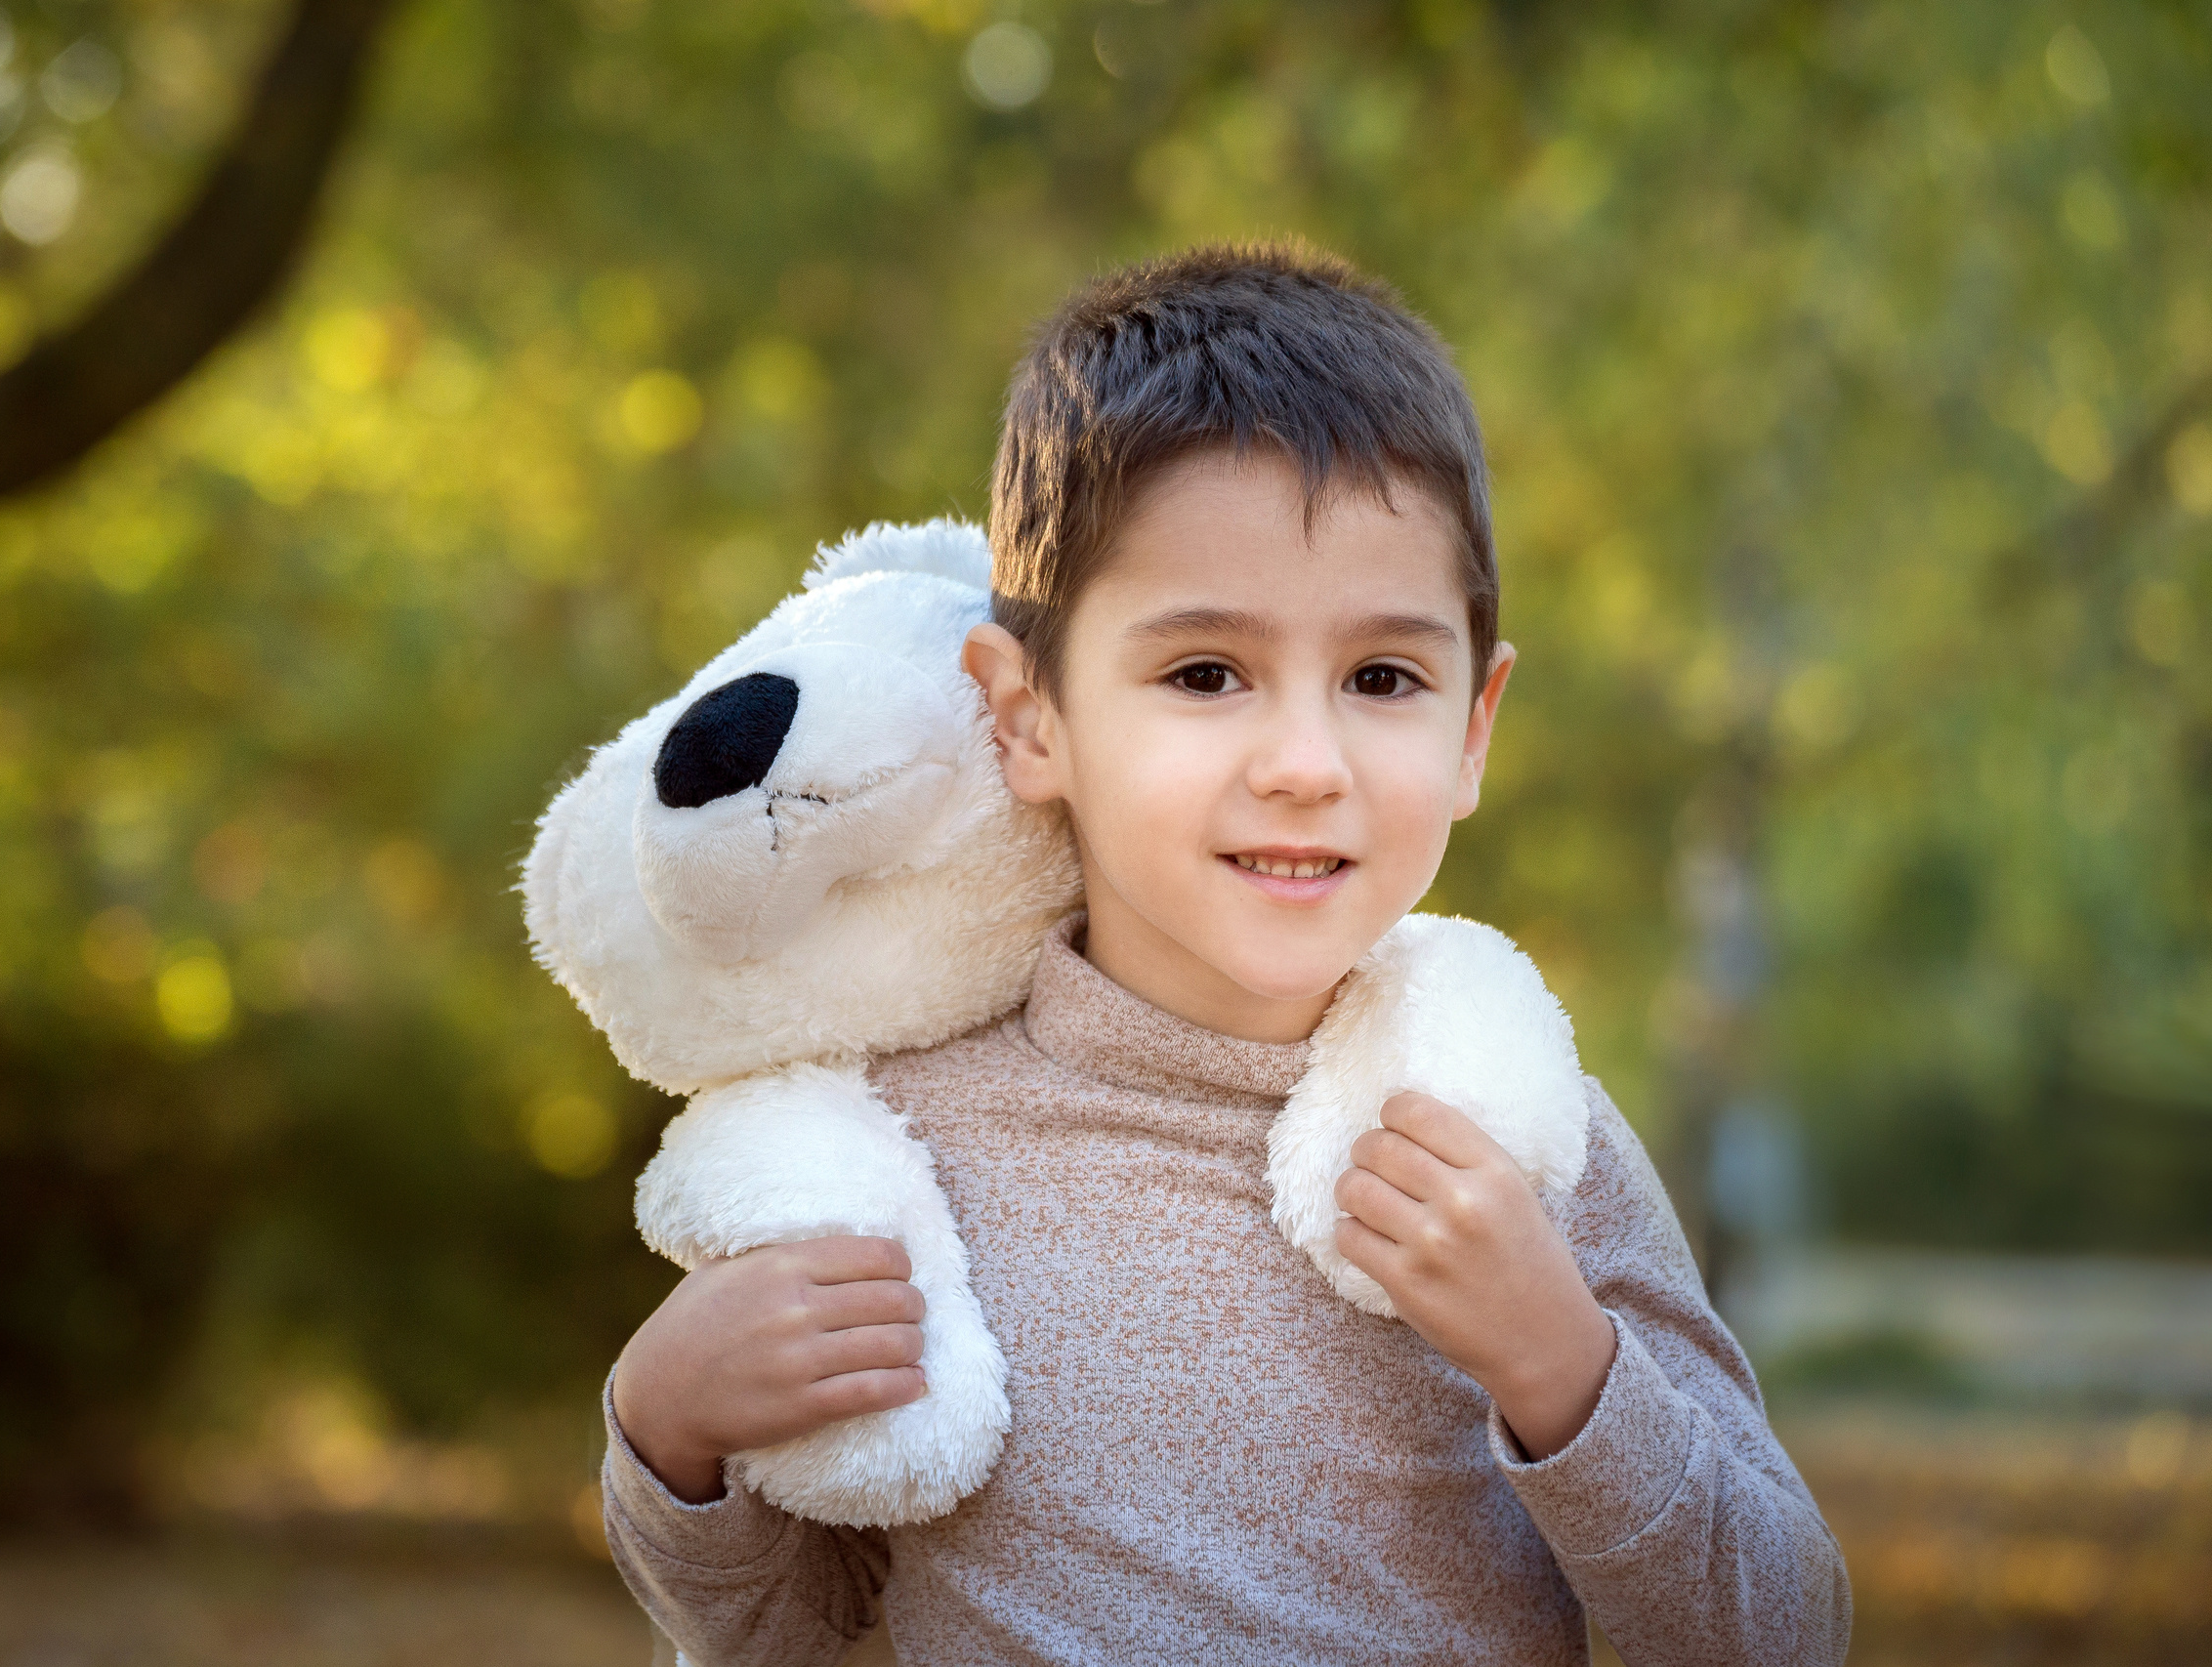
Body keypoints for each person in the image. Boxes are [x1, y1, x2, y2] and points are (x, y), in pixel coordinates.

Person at [597, 243, 1852, 1665]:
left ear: (1475, 729)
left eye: (1383, 679)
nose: (1307, 763)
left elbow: (1782, 1633)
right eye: (1206, 675)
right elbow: (790, 1639)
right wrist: (667, 1433)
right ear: (1028, 717)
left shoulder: (1513, 1140)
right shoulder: (903, 1151)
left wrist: (1565, 1368)